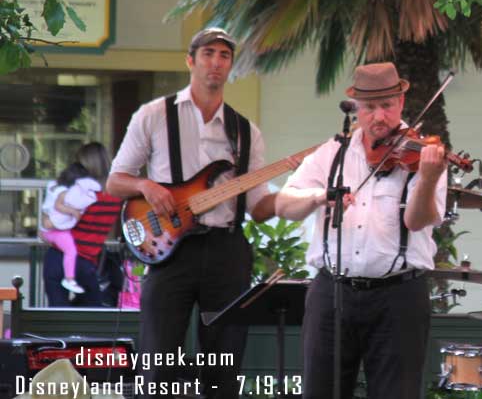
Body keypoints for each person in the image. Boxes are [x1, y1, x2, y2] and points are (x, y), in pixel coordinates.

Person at [106, 27, 277, 399]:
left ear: (231, 65)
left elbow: (260, 206)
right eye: (208, 54)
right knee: (158, 362)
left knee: (224, 367)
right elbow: (115, 181)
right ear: (191, 60)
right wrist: (147, 187)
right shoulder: (153, 115)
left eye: (224, 56)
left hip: (226, 249)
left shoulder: (246, 132)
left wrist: (304, 199)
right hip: (170, 252)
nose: (216, 62)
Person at [276, 62, 448, 399]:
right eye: (370, 108)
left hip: (398, 297)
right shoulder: (331, 154)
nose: (379, 117)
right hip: (332, 293)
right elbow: (283, 204)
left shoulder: (422, 155)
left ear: (400, 103)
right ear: (356, 108)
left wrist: (427, 178)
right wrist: (318, 196)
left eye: (386, 106)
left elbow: (416, 221)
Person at [43, 142, 123, 307]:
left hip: (58, 257)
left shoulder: (78, 194)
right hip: (87, 262)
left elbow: (54, 222)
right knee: (92, 315)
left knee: (58, 317)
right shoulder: (114, 198)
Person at [40, 161, 103, 293]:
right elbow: (58, 206)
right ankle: (69, 279)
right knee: (71, 251)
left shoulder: (54, 187)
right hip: (57, 230)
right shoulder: (65, 193)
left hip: (50, 230)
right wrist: (74, 212)